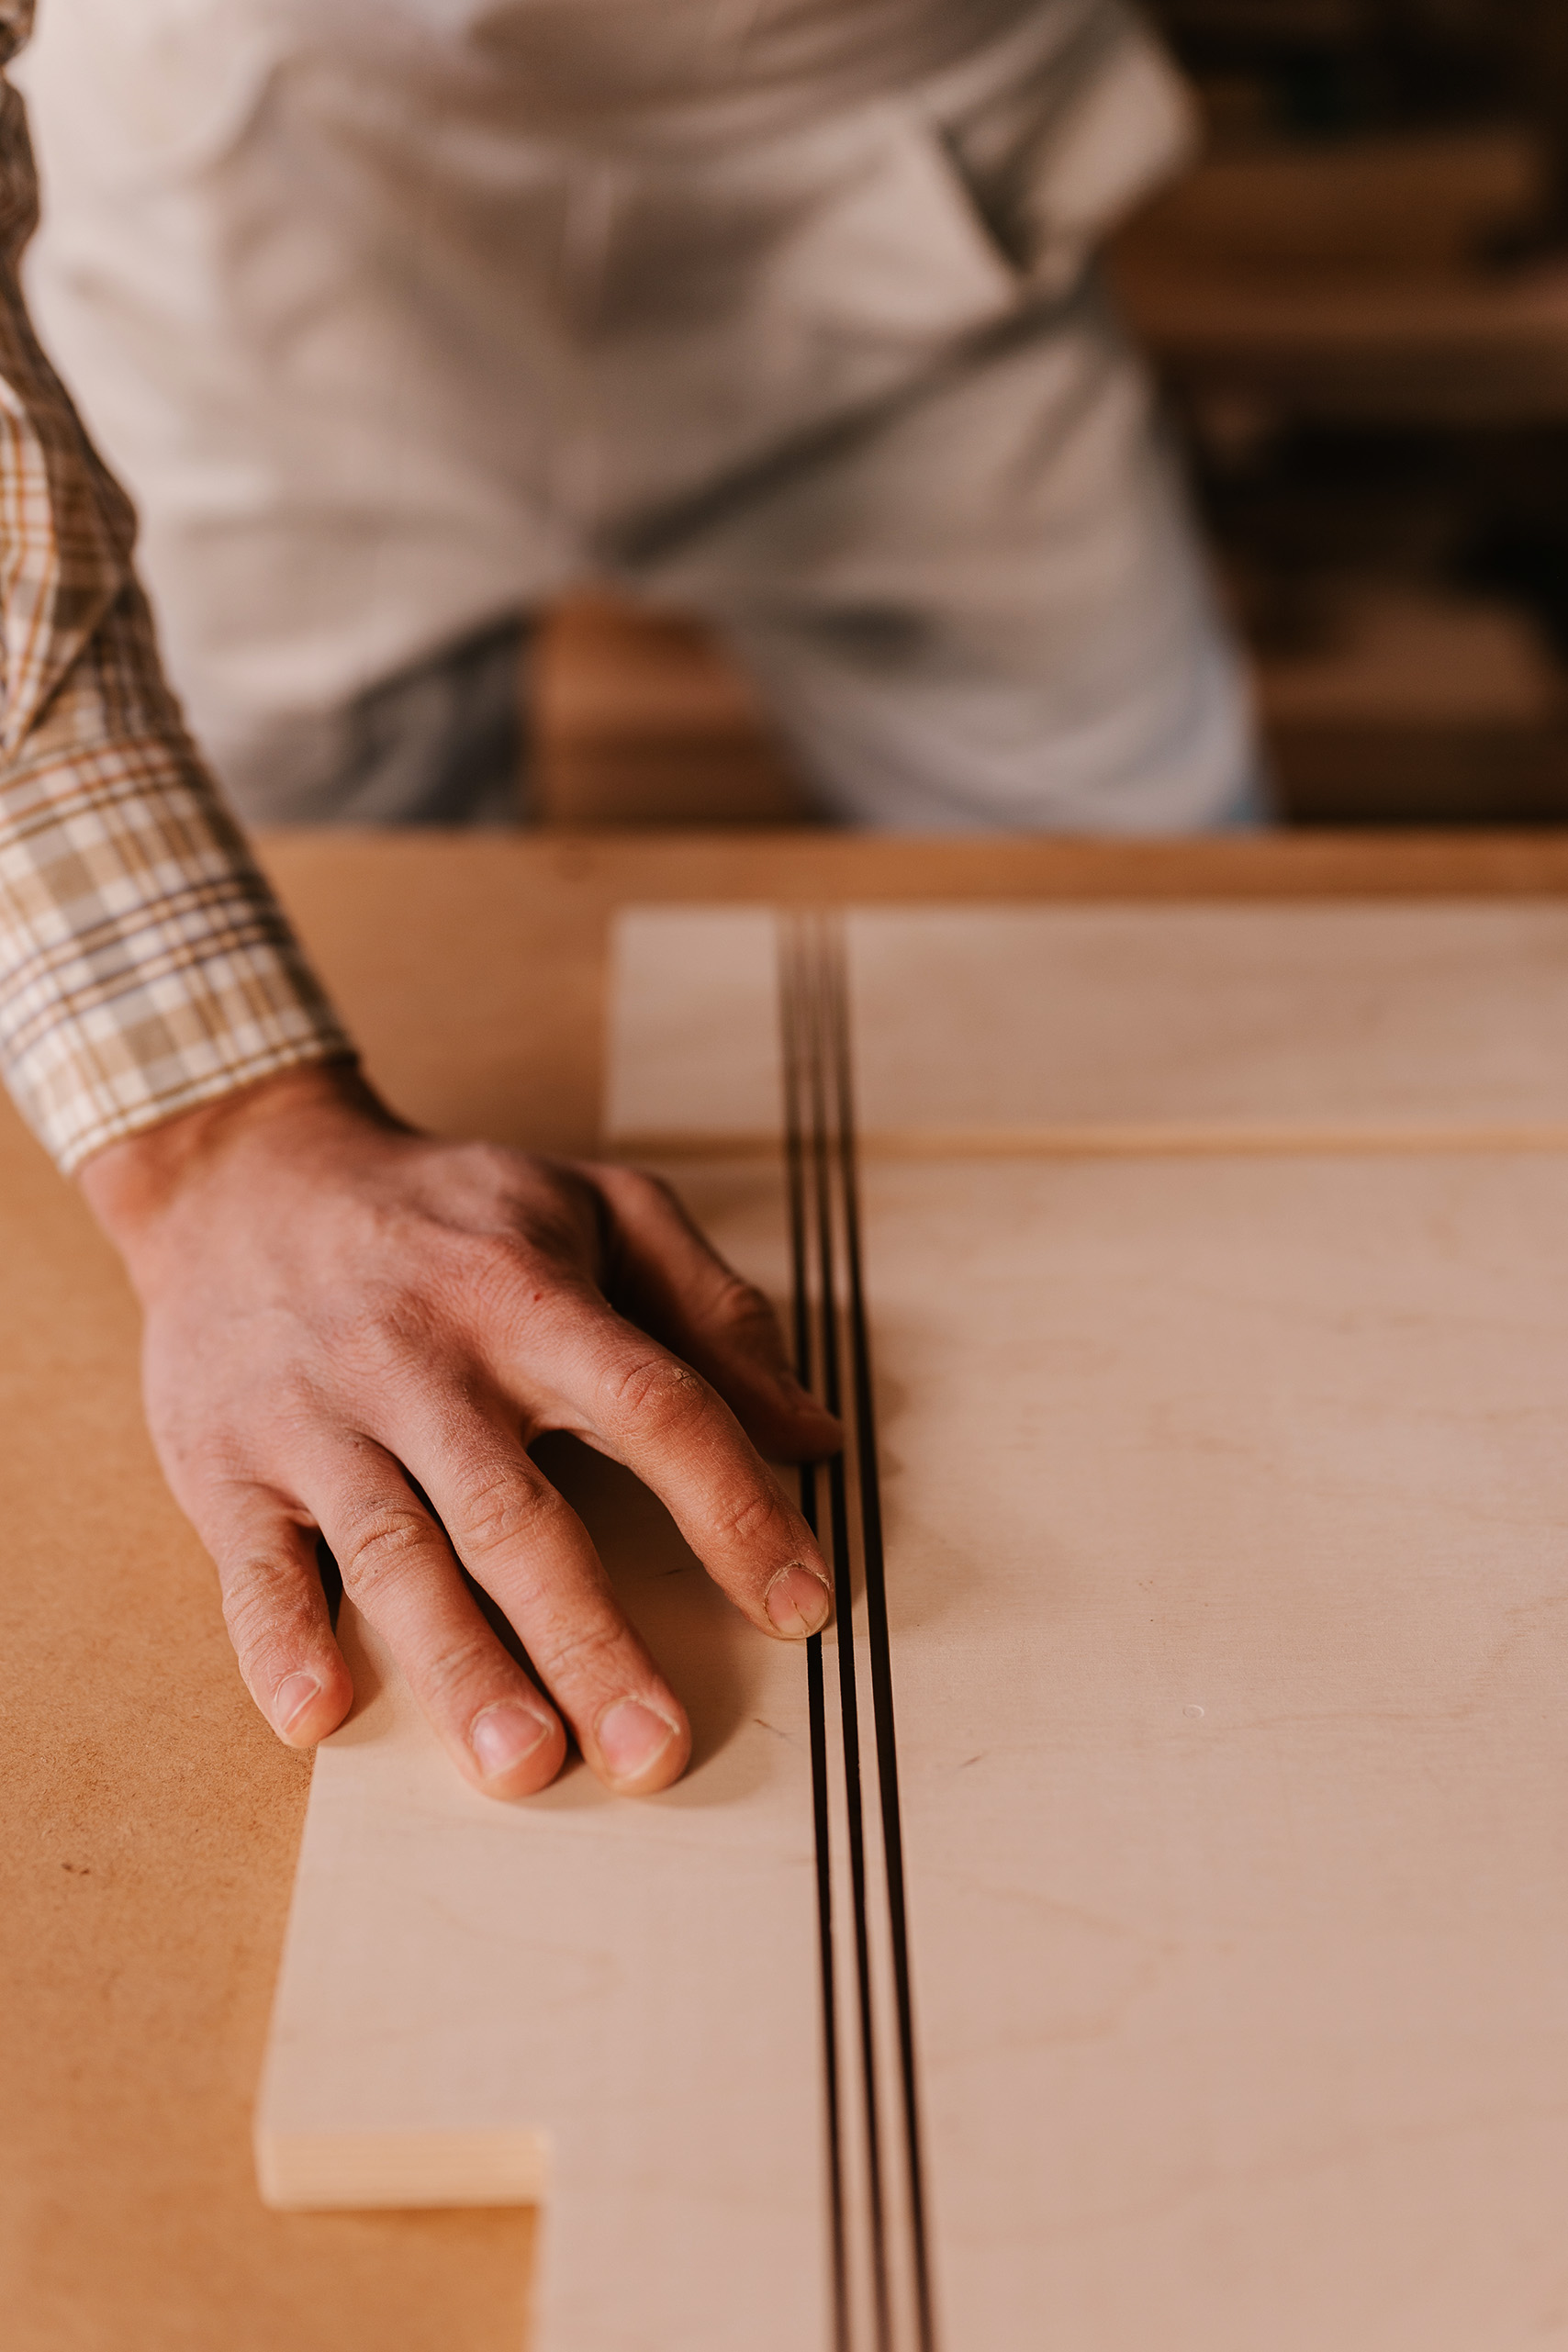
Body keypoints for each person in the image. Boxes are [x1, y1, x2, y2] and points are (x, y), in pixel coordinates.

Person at [0, 2, 1258, 1798]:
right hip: (263, 209)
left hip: (912, 195)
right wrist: (208, 1132)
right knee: (321, 1041)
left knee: (1190, 1000)